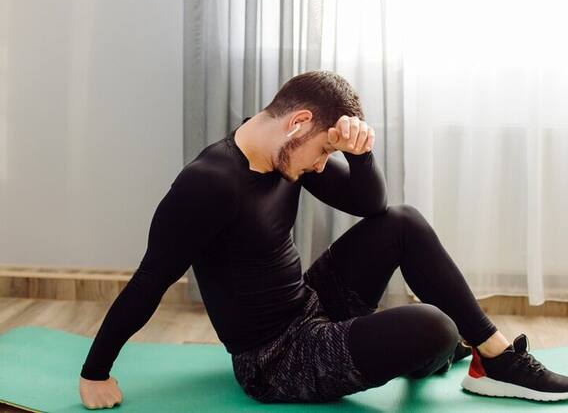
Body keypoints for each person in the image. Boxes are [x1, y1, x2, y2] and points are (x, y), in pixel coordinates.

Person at [79, 70, 568, 409]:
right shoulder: (208, 185)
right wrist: (94, 373)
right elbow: (150, 280)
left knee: (403, 221)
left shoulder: (284, 150)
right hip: (276, 359)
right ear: (298, 123)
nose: (320, 165)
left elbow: (372, 207)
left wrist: (359, 155)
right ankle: (440, 350)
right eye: (323, 151)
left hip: (311, 303)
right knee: (436, 327)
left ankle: (496, 358)